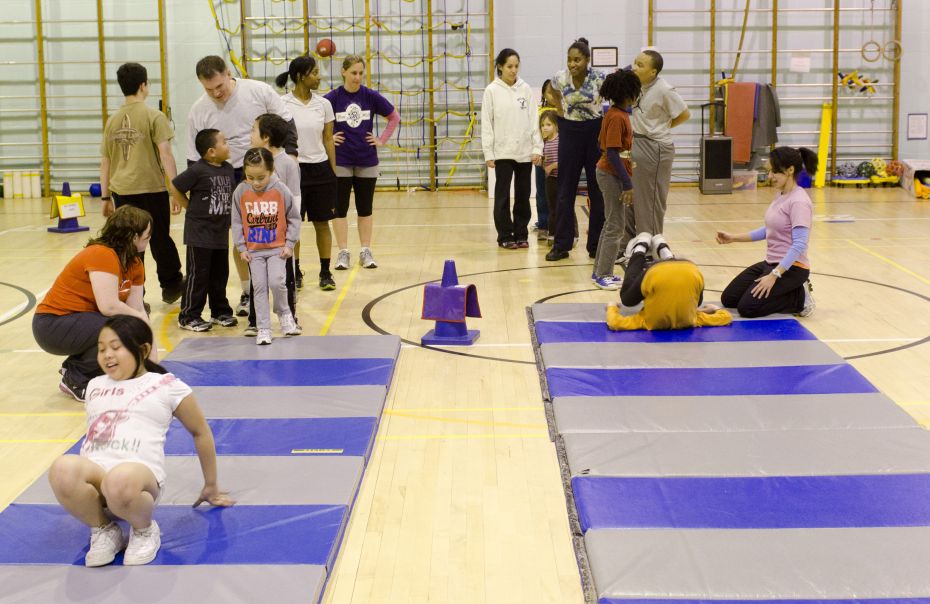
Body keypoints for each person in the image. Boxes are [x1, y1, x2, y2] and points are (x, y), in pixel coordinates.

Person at [47, 315, 233, 567]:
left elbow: (201, 432)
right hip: (99, 485)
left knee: (120, 479)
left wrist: (210, 484)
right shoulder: (93, 386)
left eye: (116, 347)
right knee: (62, 468)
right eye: (101, 349)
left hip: (136, 484)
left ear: (143, 350)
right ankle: (103, 529)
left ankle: (144, 530)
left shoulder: (167, 385)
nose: (107, 355)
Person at [188, 55, 299, 317]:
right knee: (241, 235)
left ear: (228, 73)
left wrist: (291, 153)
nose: (216, 93)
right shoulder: (198, 110)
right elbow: (194, 158)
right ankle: (249, 290)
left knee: (280, 228)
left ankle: (286, 287)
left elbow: (287, 123)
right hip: (228, 175)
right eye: (209, 89)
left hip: (267, 169)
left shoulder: (258, 91)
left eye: (219, 86)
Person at [33, 206, 153, 402]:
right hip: (52, 325)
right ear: (133, 237)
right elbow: (109, 306)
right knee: (120, 326)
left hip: (82, 323)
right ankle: (76, 377)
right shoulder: (102, 254)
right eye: (147, 236)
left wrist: (153, 369)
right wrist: (138, 320)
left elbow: (138, 309)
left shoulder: (135, 263)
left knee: (135, 318)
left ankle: (78, 366)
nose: (150, 240)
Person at [100, 62, 184, 305]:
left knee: (130, 244)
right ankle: (171, 284)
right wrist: (175, 190)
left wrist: (106, 197)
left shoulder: (112, 121)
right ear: (143, 85)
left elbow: (104, 162)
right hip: (152, 189)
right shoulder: (154, 116)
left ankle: (135, 295)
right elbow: (166, 154)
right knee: (159, 238)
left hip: (122, 191)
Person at [716, 146, 818, 318]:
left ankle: (799, 298)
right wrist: (733, 238)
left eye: (774, 172)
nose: (770, 176)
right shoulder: (781, 195)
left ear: (790, 170)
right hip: (771, 263)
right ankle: (783, 290)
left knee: (747, 308)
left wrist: (774, 275)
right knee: (729, 299)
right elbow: (769, 230)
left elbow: (800, 244)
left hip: (792, 268)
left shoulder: (799, 202)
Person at [325, 55, 401, 270]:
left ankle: (365, 250)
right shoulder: (332, 98)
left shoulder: (370, 96)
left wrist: (381, 140)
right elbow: (317, 121)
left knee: (365, 208)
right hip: (340, 160)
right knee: (339, 208)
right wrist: (328, 140)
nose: (357, 77)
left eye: (360, 73)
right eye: (353, 73)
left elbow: (394, 117)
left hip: (366, 159)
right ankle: (342, 252)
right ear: (343, 72)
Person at [618, 50, 690, 259]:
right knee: (635, 194)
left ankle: (654, 243)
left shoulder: (664, 89)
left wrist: (662, 128)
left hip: (656, 147)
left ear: (653, 72)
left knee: (653, 197)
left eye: (640, 65)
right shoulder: (637, 85)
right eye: (635, 63)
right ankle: (633, 243)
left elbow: (684, 114)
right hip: (638, 143)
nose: (635, 68)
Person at [277, 55, 339, 292]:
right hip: (293, 170)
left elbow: (328, 140)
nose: (319, 76)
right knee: (294, 225)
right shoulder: (282, 104)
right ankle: (296, 271)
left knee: (323, 223)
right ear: (301, 76)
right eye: (314, 72)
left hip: (320, 170)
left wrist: (333, 173)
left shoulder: (324, 104)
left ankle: (325, 272)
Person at [546, 37, 607, 262]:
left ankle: (596, 245)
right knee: (565, 190)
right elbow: (550, 91)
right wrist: (560, 109)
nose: (572, 64)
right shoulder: (560, 77)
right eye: (570, 60)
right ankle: (562, 245)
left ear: (587, 60)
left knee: (597, 190)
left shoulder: (600, 78)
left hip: (594, 132)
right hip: (570, 131)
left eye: (577, 60)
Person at [232, 148, 301, 345]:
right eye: (250, 177)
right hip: (254, 251)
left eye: (260, 177)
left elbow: (294, 218)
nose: (255, 182)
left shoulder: (280, 189)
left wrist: (290, 243)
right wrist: (241, 247)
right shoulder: (241, 191)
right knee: (259, 287)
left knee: (277, 282)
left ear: (271, 171)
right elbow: (236, 221)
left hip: (277, 249)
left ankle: (284, 313)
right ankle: (263, 327)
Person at [172, 128, 237, 332]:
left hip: (220, 233)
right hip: (199, 233)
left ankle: (220, 311)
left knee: (220, 274)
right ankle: (189, 315)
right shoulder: (198, 170)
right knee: (198, 275)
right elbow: (175, 186)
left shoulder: (227, 168)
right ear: (211, 151)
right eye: (224, 142)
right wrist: (188, 206)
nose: (228, 145)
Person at [243, 113, 302, 337]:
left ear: (266, 137)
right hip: (258, 234)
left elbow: (294, 198)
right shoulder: (253, 162)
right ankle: (255, 320)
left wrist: (291, 235)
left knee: (284, 278)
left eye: (253, 131)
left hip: (280, 237)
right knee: (257, 280)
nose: (250, 135)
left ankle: (290, 318)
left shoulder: (287, 163)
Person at [481, 48, 543, 249]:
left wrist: (537, 148)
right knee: (502, 195)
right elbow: (486, 124)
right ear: (500, 66)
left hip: (525, 151)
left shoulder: (525, 89)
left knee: (523, 194)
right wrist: (488, 152)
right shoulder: (491, 90)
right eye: (509, 66)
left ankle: (521, 233)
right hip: (502, 152)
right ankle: (505, 235)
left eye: (516, 66)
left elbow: (534, 119)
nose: (513, 70)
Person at [607, 233, 732, 330]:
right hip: (667, 271)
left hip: (690, 268)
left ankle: (662, 251)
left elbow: (725, 317)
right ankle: (641, 248)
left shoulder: (693, 318)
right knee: (629, 298)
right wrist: (612, 307)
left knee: (627, 300)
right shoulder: (694, 319)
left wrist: (611, 307)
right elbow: (615, 322)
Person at [592, 70, 642, 290]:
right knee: (616, 226)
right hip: (610, 174)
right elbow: (611, 151)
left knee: (610, 223)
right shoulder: (616, 116)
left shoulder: (616, 114)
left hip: (611, 172)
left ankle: (599, 271)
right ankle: (604, 273)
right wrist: (627, 183)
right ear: (629, 93)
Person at [533, 79, 561, 240]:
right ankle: (543, 225)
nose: (551, 95)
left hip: (559, 162)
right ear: (543, 93)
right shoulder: (539, 111)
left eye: (554, 92)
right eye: (548, 92)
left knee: (558, 196)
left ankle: (556, 227)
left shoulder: (562, 111)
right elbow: (537, 134)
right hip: (543, 158)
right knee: (542, 192)